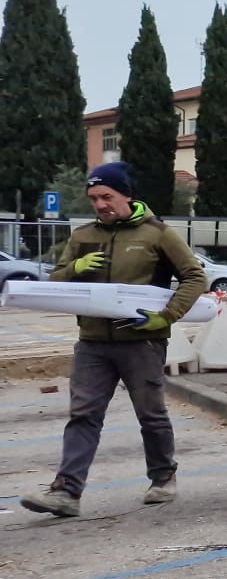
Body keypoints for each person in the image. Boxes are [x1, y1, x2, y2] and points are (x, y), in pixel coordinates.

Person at [20, 163, 206, 518]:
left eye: (107, 196)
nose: (101, 204)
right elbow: (55, 282)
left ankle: (163, 476)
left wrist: (166, 316)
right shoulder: (82, 236)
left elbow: (194, 277)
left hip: (141, 342)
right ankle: (66, 493)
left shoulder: (158, 234)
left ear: (126, 195)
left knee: (150, 415)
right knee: (83, 415)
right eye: (94, 198)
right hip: (92, 342)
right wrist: (75, 268)